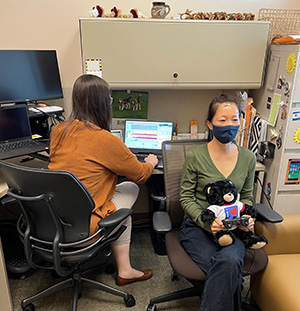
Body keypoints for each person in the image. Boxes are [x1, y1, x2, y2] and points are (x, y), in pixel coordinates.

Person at [48, 74, 158, 286]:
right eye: (109, 100)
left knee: (118, 199)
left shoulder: (58, 131)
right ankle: (125, 271)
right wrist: (151, 162)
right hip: (85, 225)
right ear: (102, 105)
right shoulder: (107, 140)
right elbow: (141, 174)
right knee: (131, 188)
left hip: (54, 219)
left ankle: (124, 268)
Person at [180, 93, 256, 311]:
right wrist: (208, 222)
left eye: (234, 119)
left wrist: (246, 218)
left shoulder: (249, 158)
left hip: (233, 228)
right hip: (197, 227)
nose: (229, 125)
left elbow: (248, 196)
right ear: (210, 124)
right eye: (222, 120)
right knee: (230, 271)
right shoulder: (195, 156)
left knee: (229, 264)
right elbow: (185, 197)